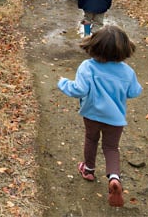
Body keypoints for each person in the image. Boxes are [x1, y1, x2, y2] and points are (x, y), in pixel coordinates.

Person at [57, 25, 142, 207]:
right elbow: (134, 92)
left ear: (94, 46)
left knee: (91, 139)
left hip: (92, 114)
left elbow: (79, 90)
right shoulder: (127, 71)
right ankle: (114, 177)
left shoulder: (88, 67)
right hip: (115, 118)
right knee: (111, 148)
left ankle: (88, 170)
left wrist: (63, 83)